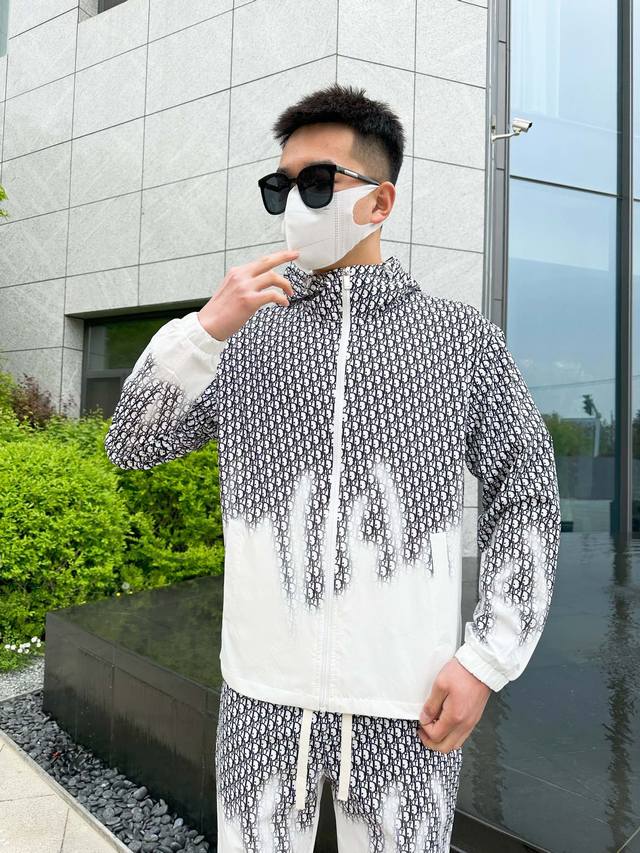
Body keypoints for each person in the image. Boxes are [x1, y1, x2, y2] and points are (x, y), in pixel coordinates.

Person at [104, 82, 562, 852]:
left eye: (317, 182)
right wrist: (206, 328)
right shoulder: (247, 336)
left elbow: (528, 494)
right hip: (260, 699)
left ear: (380, 202)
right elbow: (131, 443)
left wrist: (488, 659)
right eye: (280, 186)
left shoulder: (459, 341)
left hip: (406, 704)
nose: (295, 203)